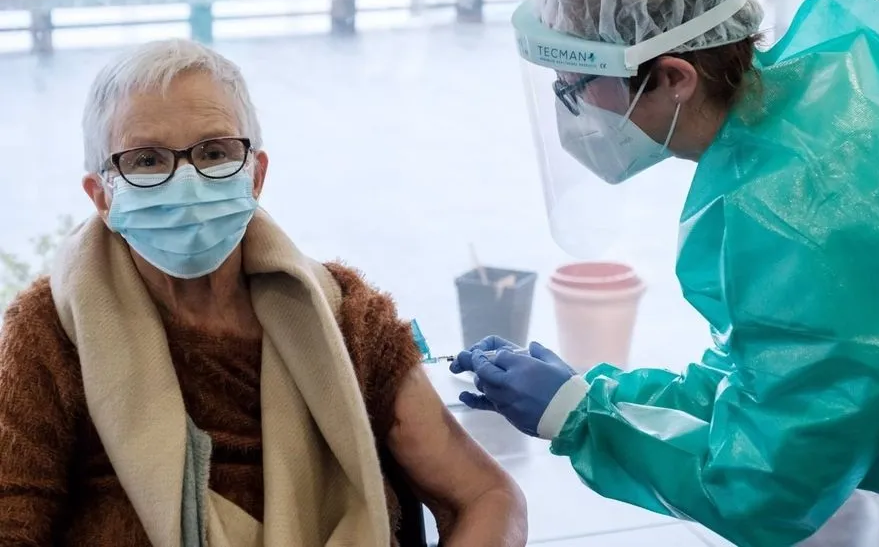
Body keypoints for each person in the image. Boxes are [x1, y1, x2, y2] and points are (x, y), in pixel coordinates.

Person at [451, 0, 879, 545]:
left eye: (576, 87)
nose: (568, 111)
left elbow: (765, 487)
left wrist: (576, 418)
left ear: (673, 78)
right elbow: (765, 385)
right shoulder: (815, 107)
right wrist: (594, 393)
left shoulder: (805, 211)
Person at [0, 39, 528, 546]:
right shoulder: (50, 332)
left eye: (214, 151)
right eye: (146, 160)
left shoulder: (346, 319)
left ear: (255, 175)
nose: (186, 183)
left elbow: (487, 496)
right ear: (101, 195)